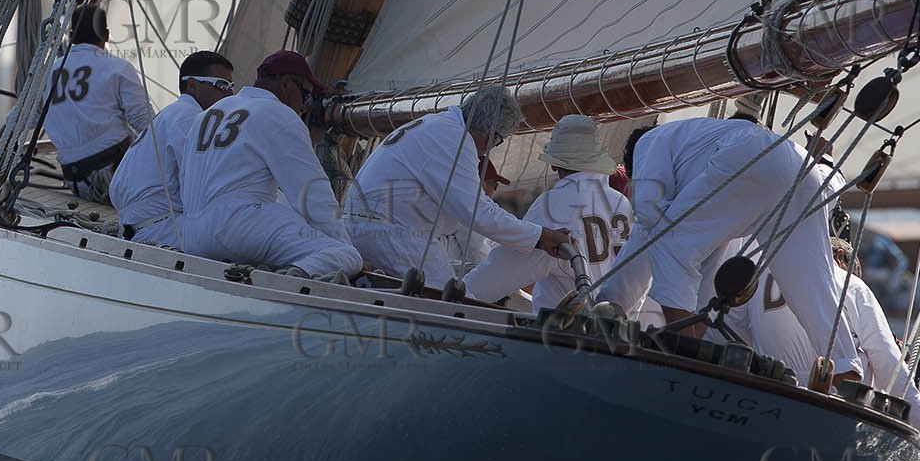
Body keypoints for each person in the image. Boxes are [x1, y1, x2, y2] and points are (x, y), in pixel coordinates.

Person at [596, 117, 860, 384]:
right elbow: (703, 272)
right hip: (802, 168)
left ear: (632, 171)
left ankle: (683, 365)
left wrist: (604, 308)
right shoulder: (704, 174)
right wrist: (826, 164)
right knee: (814, 289)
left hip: (747, 159)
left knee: (669, 243)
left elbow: (651, 225)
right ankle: (847, 376)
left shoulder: (648, 143)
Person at [343, 85, 571, 286]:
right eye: (498, 142)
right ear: (493, 136)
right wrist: (541, 236)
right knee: (449, 306)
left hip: (370, 227)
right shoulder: (455, 139)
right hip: (394, 233)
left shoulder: (437, 125)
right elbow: (476, 211)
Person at [177, 50, 361, 279]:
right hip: (238, 228)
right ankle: (293, 277)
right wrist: (341, 248)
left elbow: (185, 181)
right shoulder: (278, 113)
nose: (304, 107)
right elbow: (311, 193)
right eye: (305, 95)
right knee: (346, 256)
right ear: (286, 85)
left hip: (191, 235)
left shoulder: (206, 115)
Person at [462, 115, 632, 311]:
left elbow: (507, 269)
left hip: (567, 331)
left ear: (553, 163)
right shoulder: (621, 202)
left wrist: (460, 292)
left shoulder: (555, 204)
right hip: (621, 325)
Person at [110, 50, 234, 247]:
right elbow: (203, 185)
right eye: (221, 85)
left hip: (141, 227)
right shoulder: (189, 118)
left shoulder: (172, 114)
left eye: (231, 86)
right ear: (193, 85)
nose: (229, 94)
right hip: (165, 230)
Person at [33, 5, 153, 203]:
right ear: (106, 35)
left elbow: (28, 116)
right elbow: (144, 123)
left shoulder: (51, 70)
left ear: (70, 36)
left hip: (77, 182)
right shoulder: (118, 68)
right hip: (115, 177)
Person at [832, 239, 920, 445]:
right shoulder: (851, 286)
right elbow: (889, 362)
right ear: (839, 258)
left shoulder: (771, 278)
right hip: (846, 418)